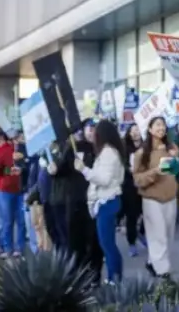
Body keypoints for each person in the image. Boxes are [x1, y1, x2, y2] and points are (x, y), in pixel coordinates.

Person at [51, 124, 103, 282]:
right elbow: (60, 170)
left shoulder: (101, 149)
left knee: (94, 240)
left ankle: (95, 274)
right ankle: (77, 275)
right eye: (89, 129)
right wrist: (53, 169)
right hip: (74, 201)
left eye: (94, 129)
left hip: (95, 200)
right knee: (75, 240)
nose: (91, 132)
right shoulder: (72, 149)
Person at [76, 120, 125, 284]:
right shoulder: (108, 151)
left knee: (107, 245)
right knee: (107, 244)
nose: (92, 134)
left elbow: (103, 179)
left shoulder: (108, 153)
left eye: (95, 131)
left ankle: (114, 278)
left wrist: (84, 170)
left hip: (107, 201)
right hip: (106, 201)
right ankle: (114, 276)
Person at [133, 116, 179, 279]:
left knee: (168, 235)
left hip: (171, 198)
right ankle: (163, 272)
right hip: (152, 200)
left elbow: (177, 171)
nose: (161, 128)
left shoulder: (172, 148)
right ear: (150, 129)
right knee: (157, 236)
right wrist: (154, 172)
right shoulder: (142, 153)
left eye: (163, 125)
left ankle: (152, 262)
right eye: (158, 125)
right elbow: (137, 179)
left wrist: (176, 159)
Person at [0, 128, 26, 258]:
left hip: (20, 190)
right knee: (7, 220)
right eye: (15, 138)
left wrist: (22, 168)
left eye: (19, 138)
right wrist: (9, 171)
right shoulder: (4, 151)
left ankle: (20, 248)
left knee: (21, 221)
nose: (17, 140)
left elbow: (27, 166)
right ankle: (8, 248)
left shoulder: (23, 151)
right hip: (6, 190)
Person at [122, 124, 146, 257]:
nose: (136, 132)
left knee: (147, 213)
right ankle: (131, 242)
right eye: (133, 130)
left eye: (138, 129)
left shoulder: (146, 146)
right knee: (131, 215)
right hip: (130, 186)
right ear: (129, 133)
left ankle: (141, 233)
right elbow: (122, 163)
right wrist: (129, 169)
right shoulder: (125, 147)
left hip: (144, 184)